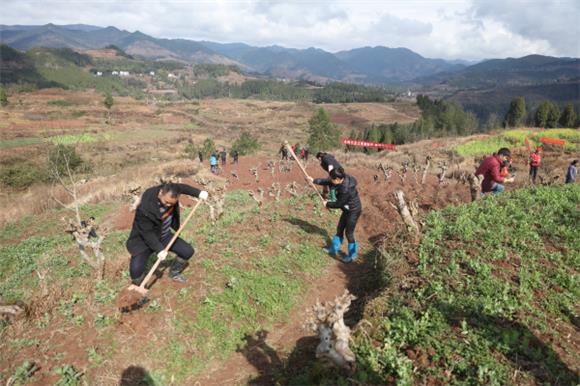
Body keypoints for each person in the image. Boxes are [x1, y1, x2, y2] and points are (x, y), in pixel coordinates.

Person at [126, 183, 208, 284]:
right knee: (135, 271)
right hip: (143, 241)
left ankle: (174, 273)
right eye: (166, 202)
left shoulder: (169, 189)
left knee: (187, 251)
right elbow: (147, 233)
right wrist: (159, 249)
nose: (168, 205)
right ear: (161, 193)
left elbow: (182, 187)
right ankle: (138, 289)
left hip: (163, 235)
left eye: (172, 203)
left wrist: (199, 193)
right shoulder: (145, 207)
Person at [309, 167, 362, 263]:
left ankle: (352, 255)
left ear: (338, 179)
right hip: (346, 210)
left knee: (349, 233)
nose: (330, 180)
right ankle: (333, 248)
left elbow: (339, 204)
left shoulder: (345, 189)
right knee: (340, 228)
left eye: (332, 179)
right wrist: (314, 180)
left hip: (353, 210)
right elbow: (327, 181)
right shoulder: (337, 180)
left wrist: (327, 204)